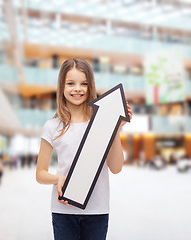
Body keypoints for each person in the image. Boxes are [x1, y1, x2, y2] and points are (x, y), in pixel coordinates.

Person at [36, 58, 133, 240]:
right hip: (63, 211)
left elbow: (116, 167)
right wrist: (58, 179)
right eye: (71, 83)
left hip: (97, 210)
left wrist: (115, 127)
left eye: (84, 83)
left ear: (90, 87)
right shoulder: (52, 126)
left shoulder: (101, 122)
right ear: (62, 87)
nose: (77, 89)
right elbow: (40, 174)